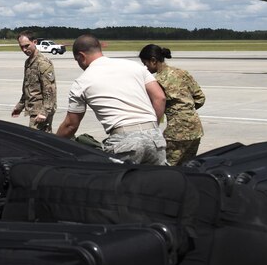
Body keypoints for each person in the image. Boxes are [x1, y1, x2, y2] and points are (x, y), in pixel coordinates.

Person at [57, 34, 167, 165]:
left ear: (81, 56)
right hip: (155, 139)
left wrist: (53, 142)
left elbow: (70, 125)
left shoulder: (82, 82)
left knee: (118, 183)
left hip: (125, 142)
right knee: (156, 183)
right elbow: (160, 98)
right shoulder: (135, 67)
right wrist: (152, 127)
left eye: (77, 60)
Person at [139, 44, 206, 165]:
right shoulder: (182, 73)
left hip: (177, 132)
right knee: (187, 167)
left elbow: (157, 102)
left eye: (146, 63)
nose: (145, 68)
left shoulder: (158, 81)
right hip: (196, 129)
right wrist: (186, 112)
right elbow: (200, 98)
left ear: (153, 60)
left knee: (166, 167)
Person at [12, 31, 56, 132]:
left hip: (41, 111)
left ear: (35, 42)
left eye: (27, 46)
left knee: (39, 141)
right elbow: (27, 88)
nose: (24, 49)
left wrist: (44, 112)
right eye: (21, 47)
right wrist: (20, 106)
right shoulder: (29, 62)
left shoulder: (43, 63)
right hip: (33, 109)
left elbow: (50, 90)